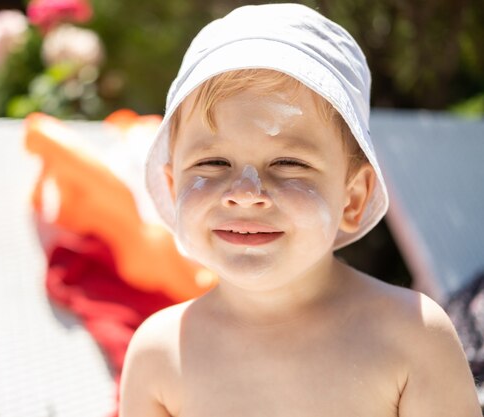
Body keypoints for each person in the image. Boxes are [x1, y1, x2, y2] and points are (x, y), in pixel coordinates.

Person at [119, 4, 481, 416]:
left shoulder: (412, 338)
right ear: (172, 186)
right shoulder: (160, 355)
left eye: (289, 164)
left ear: (353, 198)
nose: (245, 193)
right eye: (212, 163)